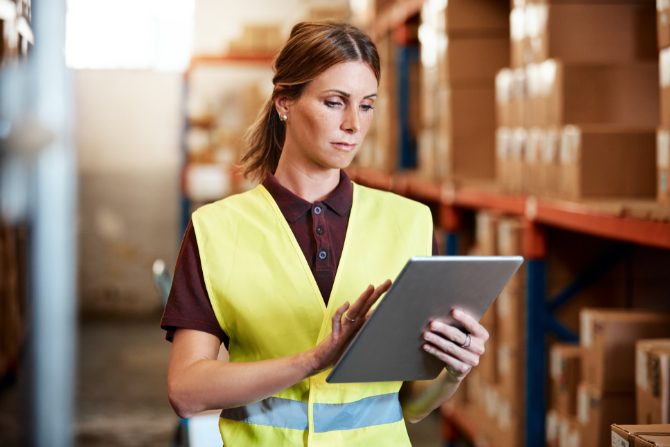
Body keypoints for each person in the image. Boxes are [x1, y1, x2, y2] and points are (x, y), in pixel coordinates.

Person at [161, 21, 489, 446]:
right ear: (285, 102)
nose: (354, 124)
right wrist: (311, 361)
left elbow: (408, 404)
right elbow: (185, 392)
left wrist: (453, 374)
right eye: (335, 102)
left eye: (367, 106)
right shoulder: (217, 230)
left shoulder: (411, 223)